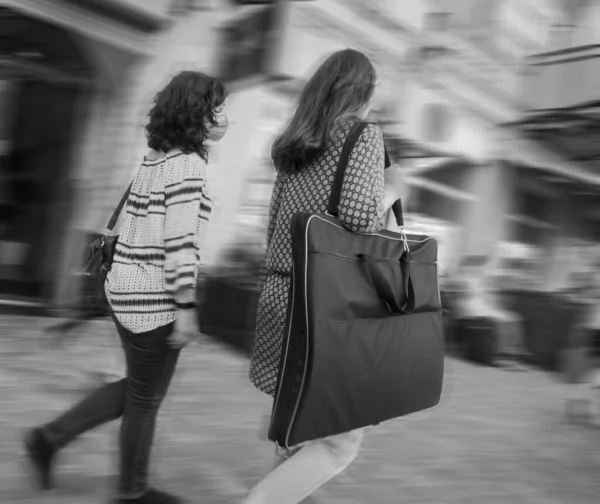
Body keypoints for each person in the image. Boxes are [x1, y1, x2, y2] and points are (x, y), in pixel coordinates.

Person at [23, 71, 229, 504]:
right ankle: (131, 492)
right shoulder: (188, 166)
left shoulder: (156, 156)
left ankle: (48, 439)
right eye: (217, 107)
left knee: (137, 389)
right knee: (145, 399)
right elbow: (179, 246)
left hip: (123, 288)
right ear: (199, 112)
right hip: (154, 299)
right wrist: (187, 310)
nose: (222, 116)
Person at [243, 49, 401, 504]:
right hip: (327, 306)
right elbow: (359, 217)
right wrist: (390, 202)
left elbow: (271, 224)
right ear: (364, 93)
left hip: (280, 291)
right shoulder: (364, 135)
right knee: (338, 441)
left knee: (297, 429)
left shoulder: (295, 142)